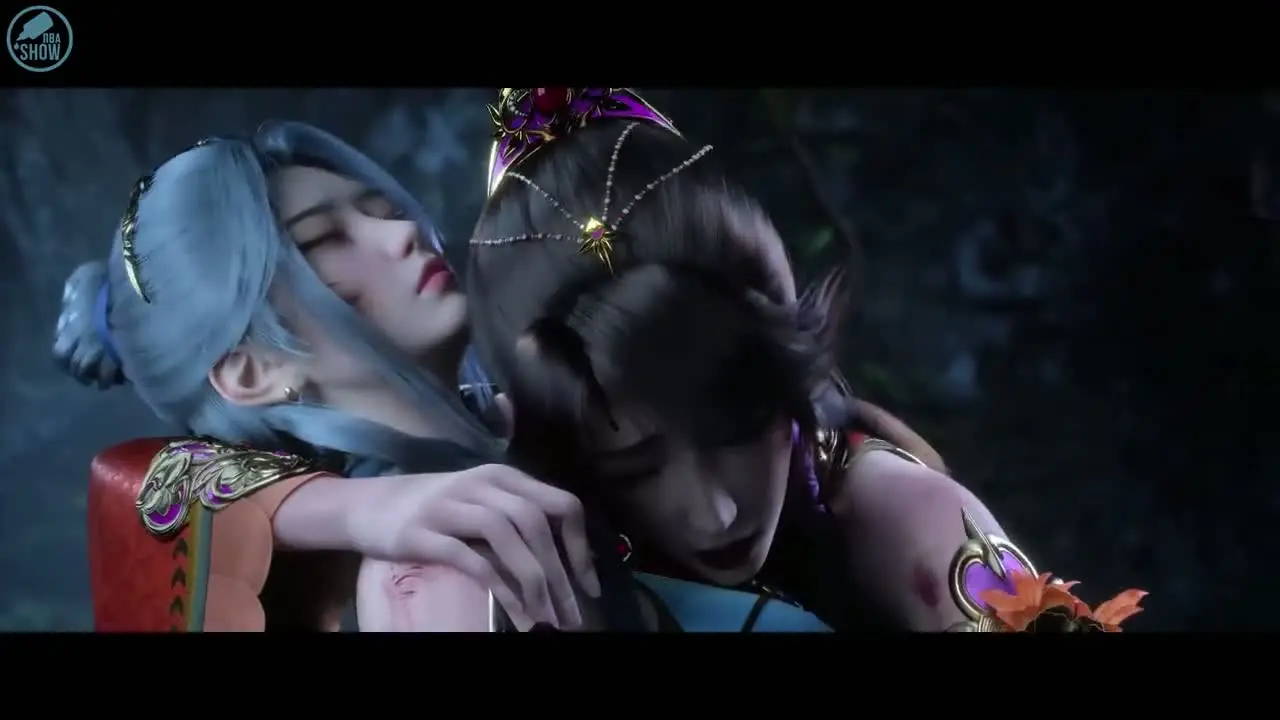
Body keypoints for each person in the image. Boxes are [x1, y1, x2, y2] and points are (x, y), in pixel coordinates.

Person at [465, 88, 1147, 632]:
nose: (717, 511)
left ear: (786, 359)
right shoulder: (516, 512)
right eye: (636, 467)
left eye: (731, 429)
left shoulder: (910, 519)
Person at [56, 123, 609, 632]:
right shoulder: (438, 573)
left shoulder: (528, 418)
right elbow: (155, 485)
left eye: (383, 210)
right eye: (324, 240)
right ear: (254, 371)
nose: (404, 232)